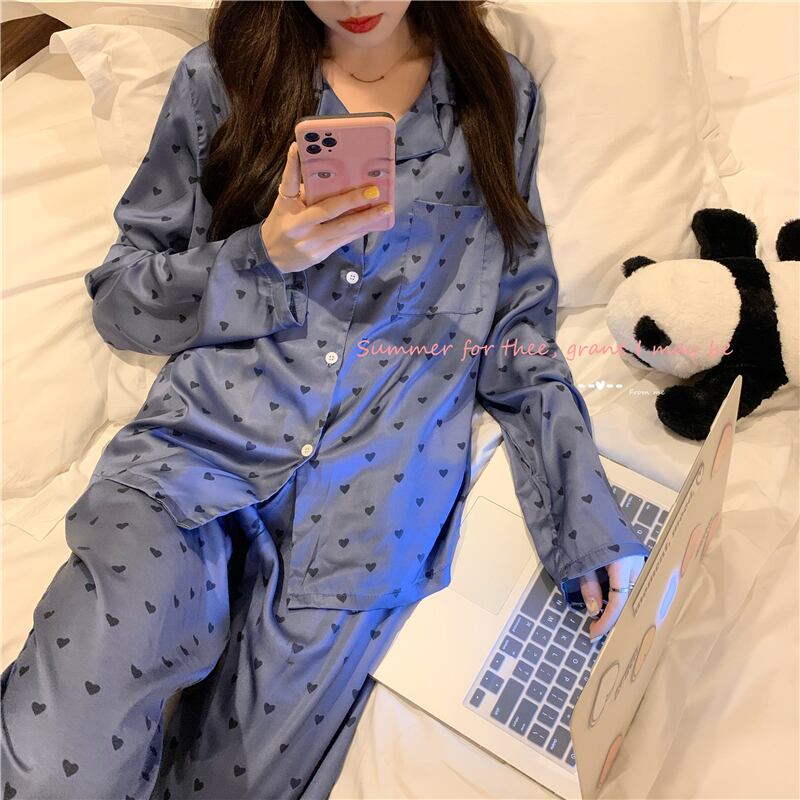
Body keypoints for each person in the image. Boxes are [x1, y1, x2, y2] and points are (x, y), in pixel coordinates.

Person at [0, 2, 649, 798]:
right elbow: (122, 302)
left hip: (369, 511)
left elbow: (517, 330)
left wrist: (581, 513)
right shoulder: (221, 81)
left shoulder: (496, 99)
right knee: (50, 762)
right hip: (193, 463)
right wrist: (262, 254)